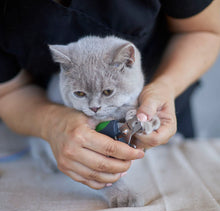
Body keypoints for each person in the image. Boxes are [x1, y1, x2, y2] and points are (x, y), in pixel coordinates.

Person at [0, 0, 219, 189]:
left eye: (106, 92)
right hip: (45, 119)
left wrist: (166, 86)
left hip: (163, 104)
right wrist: (52, 124)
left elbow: (205, 29)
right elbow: (8, 91)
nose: (95, 106)